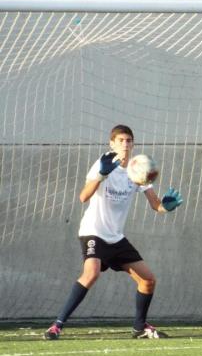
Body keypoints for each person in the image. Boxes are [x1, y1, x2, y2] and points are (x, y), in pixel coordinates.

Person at [44, 125, 183, 340]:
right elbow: (83, 197)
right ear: (112, 143)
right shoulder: (104, 163)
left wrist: (166, 206)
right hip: (94, 231)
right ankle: (56, 326)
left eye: (128, 140)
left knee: (148, 280)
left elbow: (155, 205)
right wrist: (101, 174)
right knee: (91, 273)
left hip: (116, 237)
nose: (125, 144)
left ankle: (139, 327)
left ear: (133, 144)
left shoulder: (138, 168)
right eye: (120, 140)